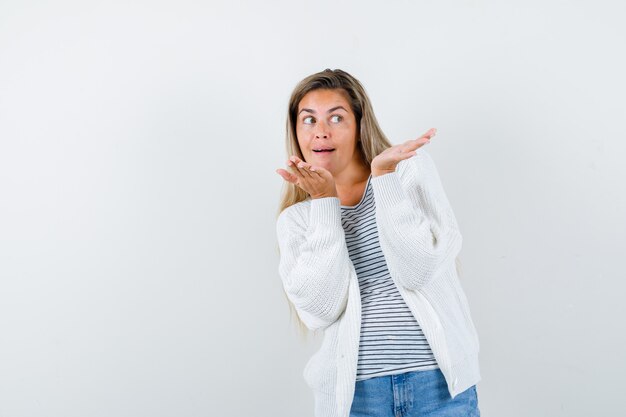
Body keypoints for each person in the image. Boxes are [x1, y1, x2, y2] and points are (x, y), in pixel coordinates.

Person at [275, 68, 481, 417]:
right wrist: (325, 202)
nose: (321, 131)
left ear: (359, 125)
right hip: (357, 399)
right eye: (308, 120)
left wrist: (384, 179)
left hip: (439, 389)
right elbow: (320, 310)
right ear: (296, 132)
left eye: (336, 118)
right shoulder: (296, 220)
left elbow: (418, 271)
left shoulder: (406, 173)